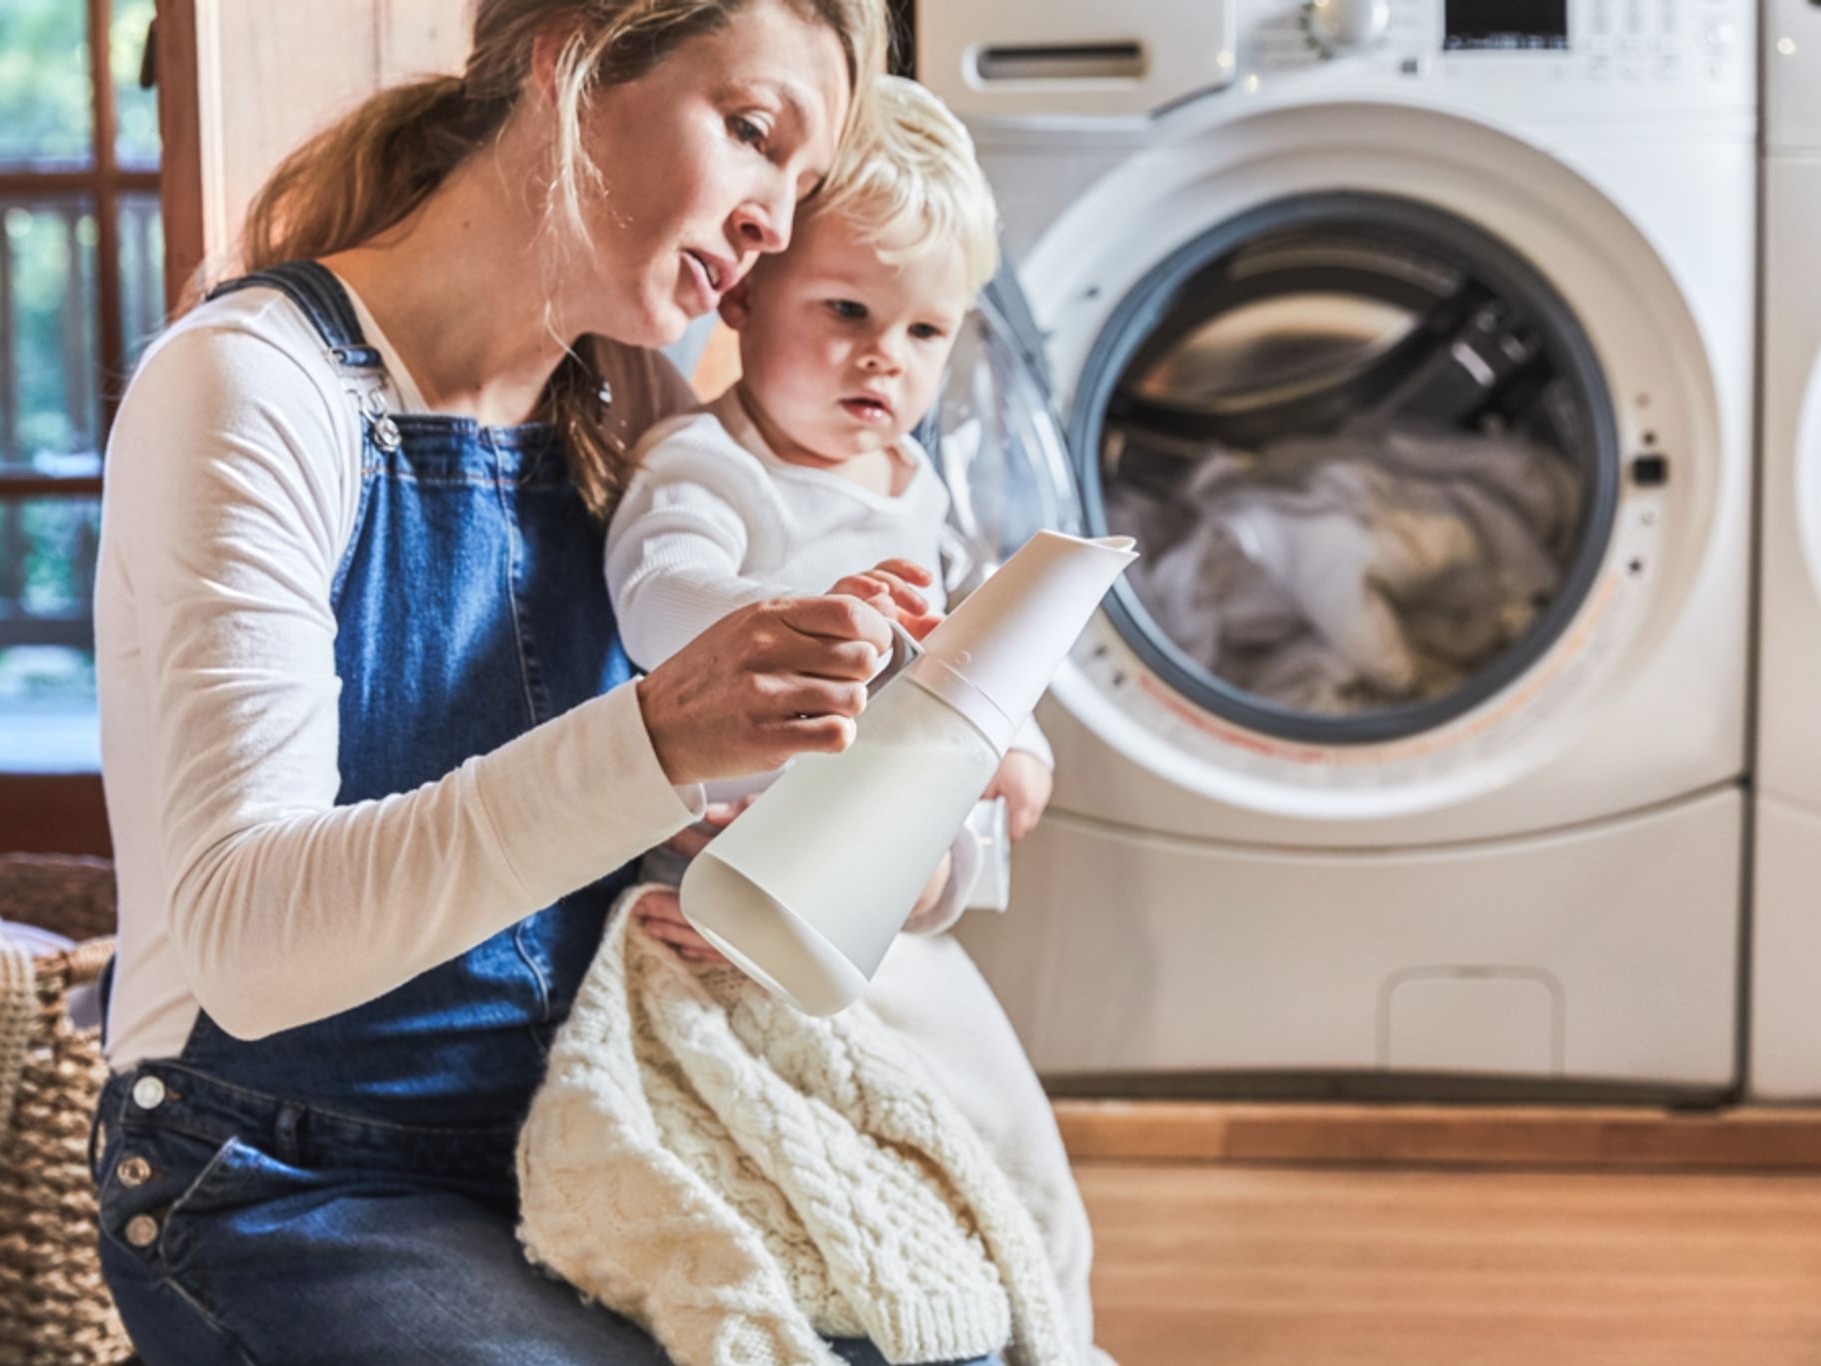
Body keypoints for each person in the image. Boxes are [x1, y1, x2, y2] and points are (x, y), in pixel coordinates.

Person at [77, 2, 1025, 1361]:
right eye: (750, 133)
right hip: (285, 1174)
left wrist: (908, 835)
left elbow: (716, 818)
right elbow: (250, 940)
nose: (767, 219)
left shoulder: (630, 407)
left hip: (593, 1126)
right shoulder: (254, 389)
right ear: (572, 54)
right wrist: (656, 737)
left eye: (797, 188)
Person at [599, 74, 1101, 1359]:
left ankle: (1057, 1326)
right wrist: (801, 614)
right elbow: (659, 598)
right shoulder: (706, 467)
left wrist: (1014, 745)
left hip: (887, 881)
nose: (888, 358)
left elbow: (959, 653)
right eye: (847, 311)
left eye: (928, 332)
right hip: (750, 873)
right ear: (745, 292)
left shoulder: (904, 478)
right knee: (839, 1174)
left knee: (1020, 1153)